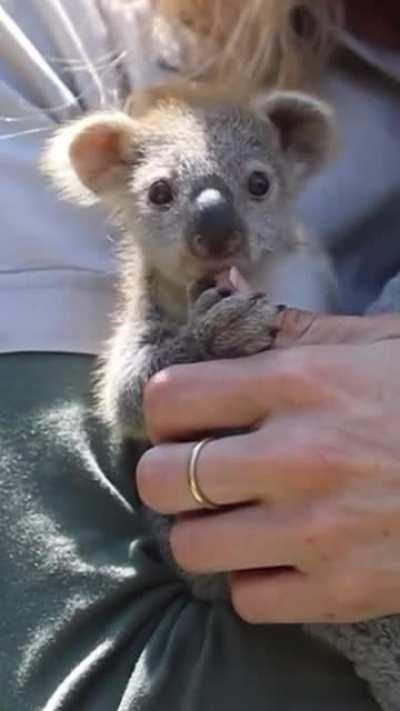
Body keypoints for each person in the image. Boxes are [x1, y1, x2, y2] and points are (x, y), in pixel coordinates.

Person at [0, 1, 398, 709]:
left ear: (294, 153)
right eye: (161, 194)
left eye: (254, 186)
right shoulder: (58, 44)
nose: (219, 226)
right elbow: (90, 669)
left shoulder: (301, 260)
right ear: (105, 167)